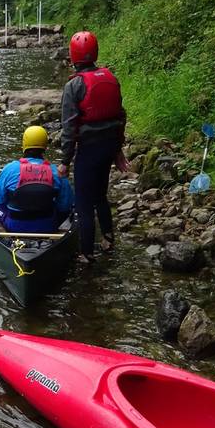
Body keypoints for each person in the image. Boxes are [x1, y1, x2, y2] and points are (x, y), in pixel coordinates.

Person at [58, 30, 127, 263]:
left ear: (72, 56)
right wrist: (118, 149)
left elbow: (69, 127)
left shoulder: (74, 86)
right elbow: (120, 116)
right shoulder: (110, 77)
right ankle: (108, 238)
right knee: (100, 194)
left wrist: (65, 161)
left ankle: (86, 253)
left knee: (84, 201)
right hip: (108, 147)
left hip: (89, 149)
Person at [0, 125, 74, 233]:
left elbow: (0, 200)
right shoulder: (56, 172)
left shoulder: (9, 169)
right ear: (45, 146)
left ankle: (7, 232)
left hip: (15, 226)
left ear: (24, 144)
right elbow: (65, 206)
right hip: (47, 226)